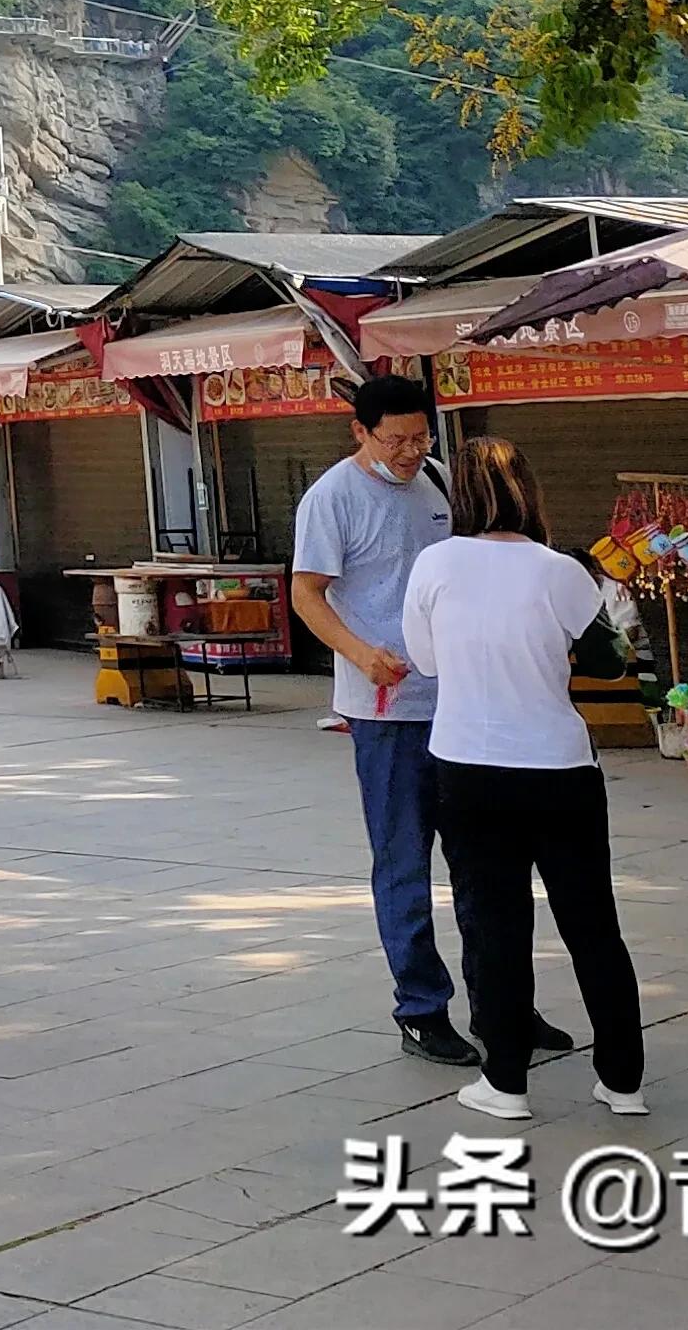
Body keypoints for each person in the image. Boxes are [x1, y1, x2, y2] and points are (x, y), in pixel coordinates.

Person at [401, 436, 650, 1124]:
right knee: (593, 925)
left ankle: (505, 1081)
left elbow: (423, 660)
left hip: (469, 767)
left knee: (499, 924)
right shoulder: (560, 570)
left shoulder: (436, 564)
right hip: (561, 768)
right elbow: (609, 661)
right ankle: (623, 1080)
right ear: (528, 493)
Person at [291, 373, 492, 1066]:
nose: (410, 452)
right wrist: (358, 652)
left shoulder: (435, 480)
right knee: (404, 859)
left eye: (420, 436)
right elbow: (307, 594)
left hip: (459, 703)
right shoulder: (332, 498)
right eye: (395, 439)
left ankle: (500, 1005)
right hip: (388, 712)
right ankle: (421, 1009)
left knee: (480, 860)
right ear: (360, 431)